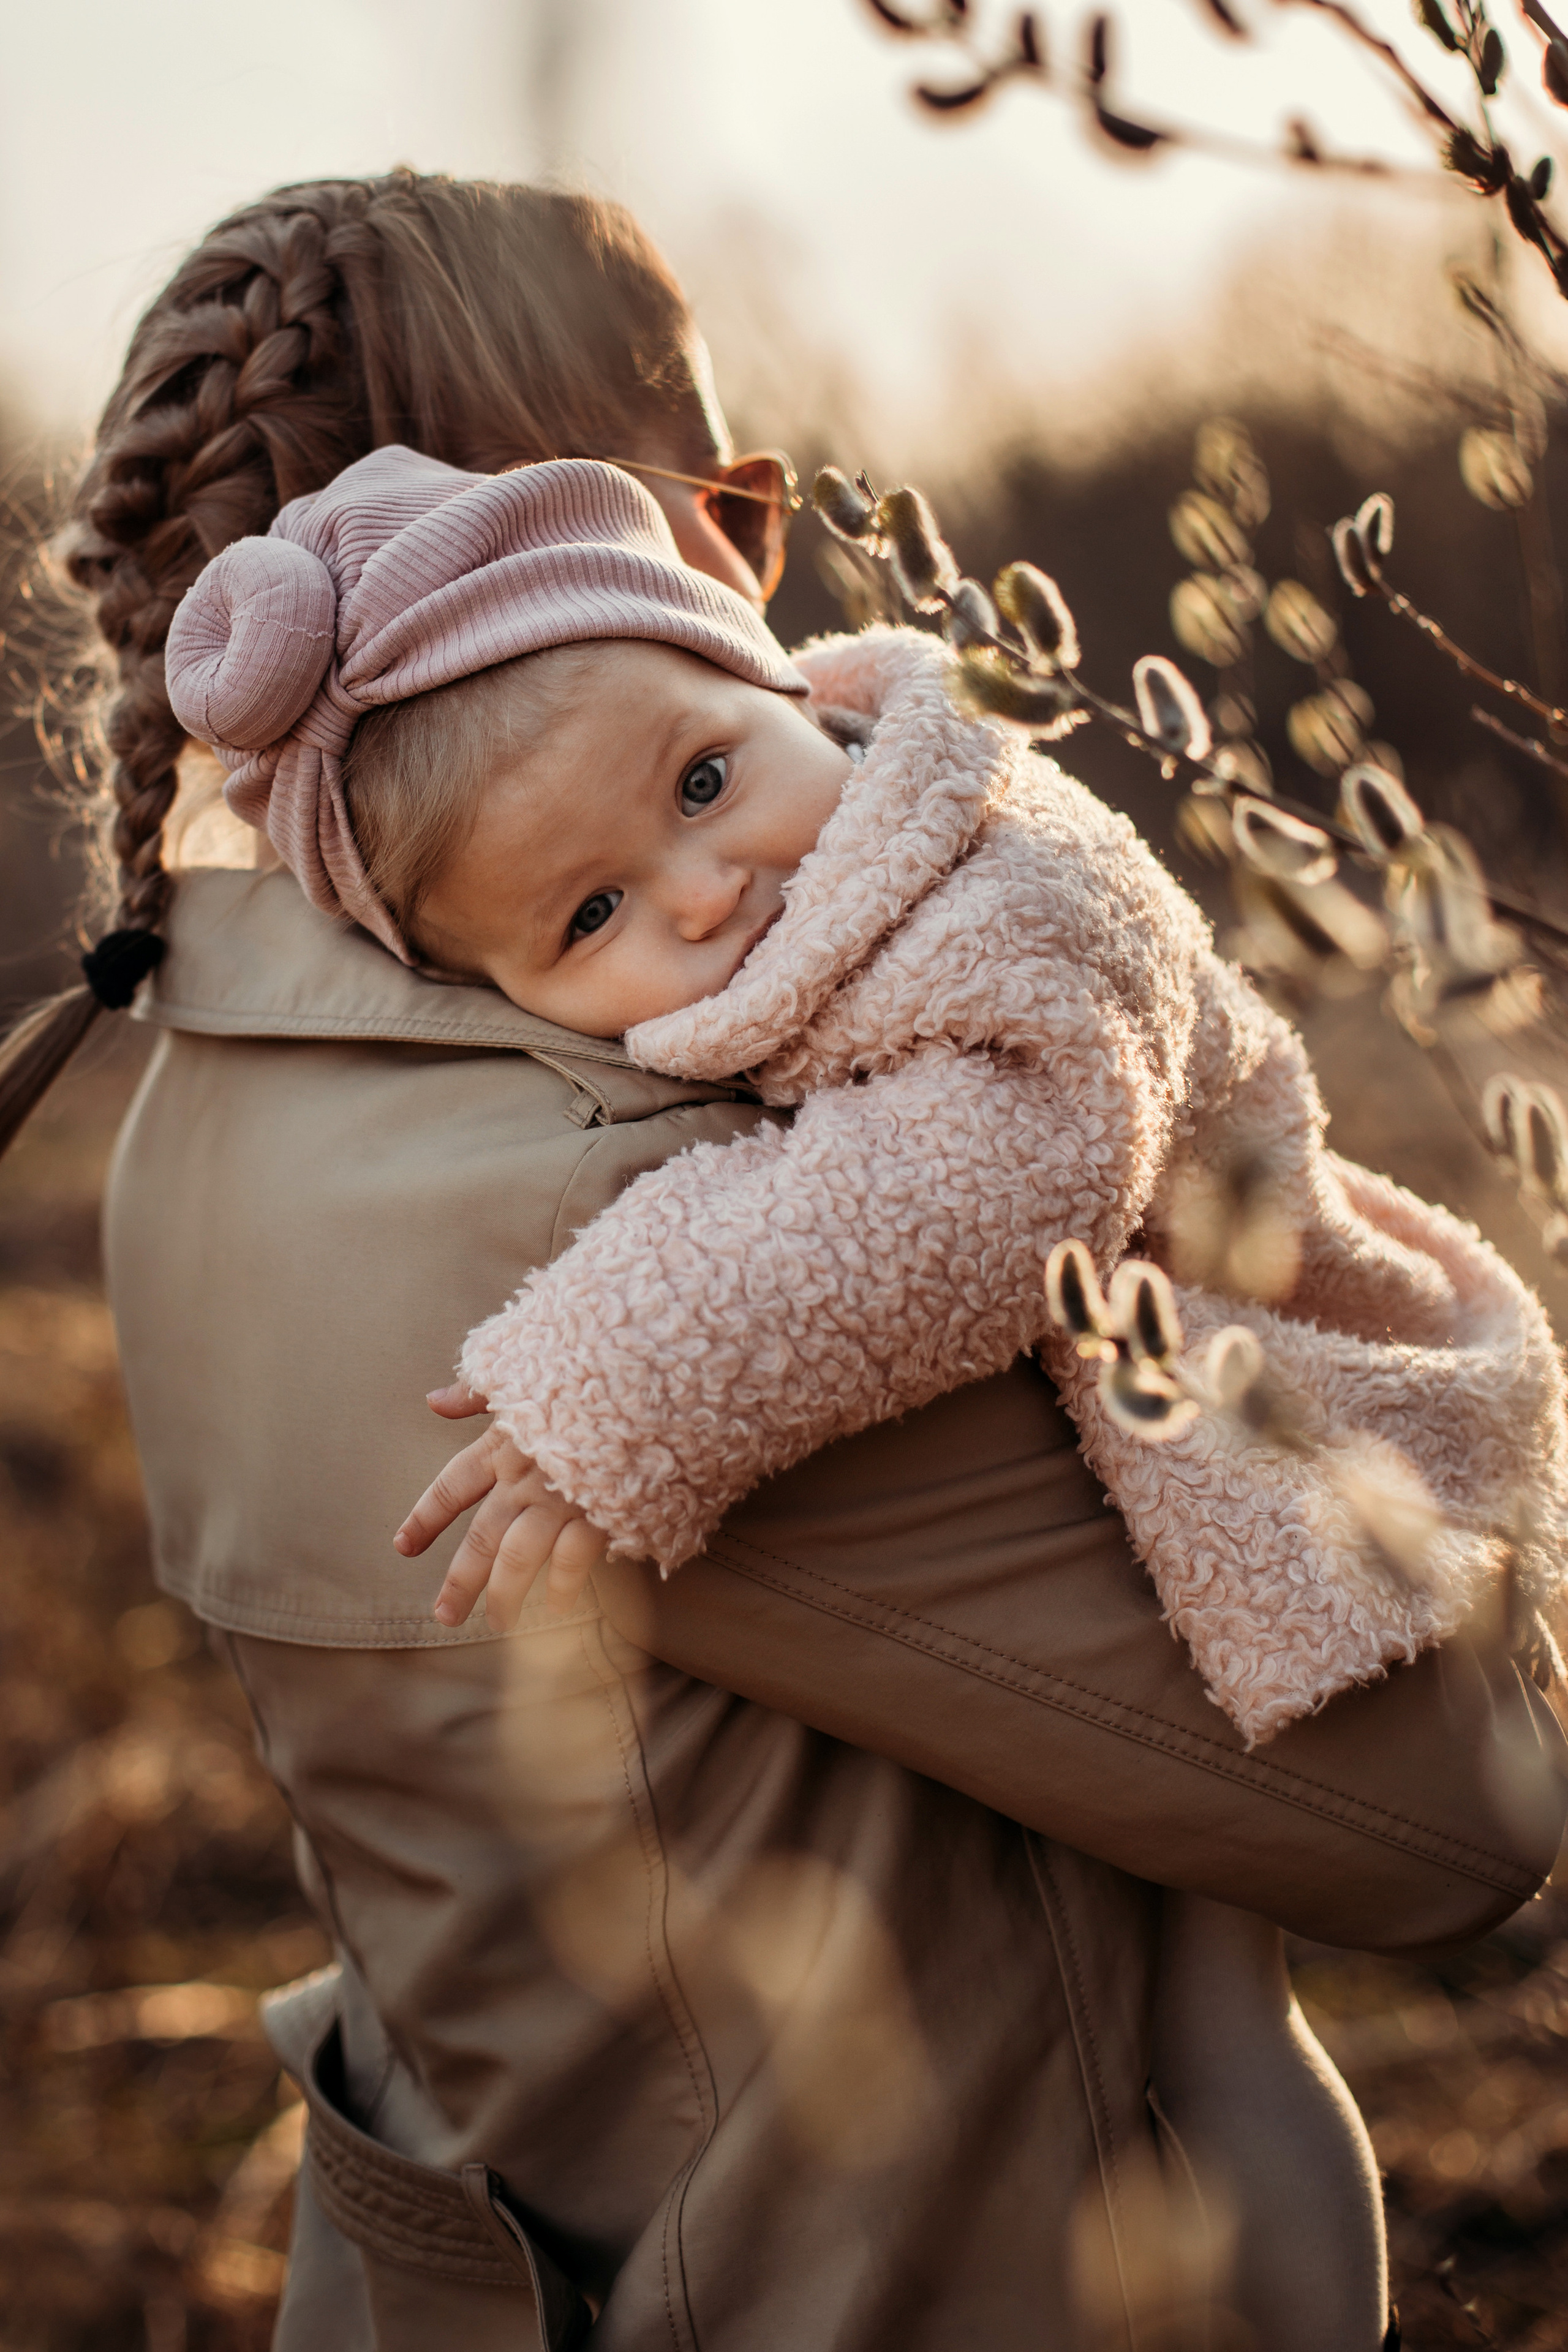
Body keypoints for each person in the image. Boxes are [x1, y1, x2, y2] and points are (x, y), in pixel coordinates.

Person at [4, 172, 1562, 2351]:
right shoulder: (657, 1214)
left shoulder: (203, 1099)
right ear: (521, 569)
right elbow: (1445, 1819)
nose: (771, 573)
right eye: (718, 510)